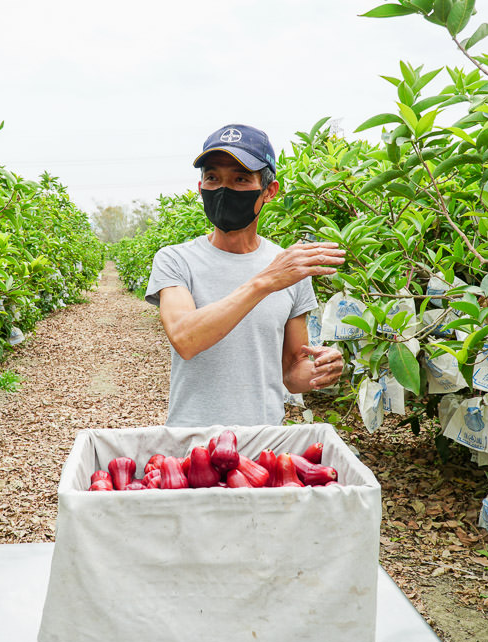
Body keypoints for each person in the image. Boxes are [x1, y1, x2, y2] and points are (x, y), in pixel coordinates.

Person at [145, 123, 346, 427]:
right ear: (200, 187)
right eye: (213, 178)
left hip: (264, 440)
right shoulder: (176, 260)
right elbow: (185, 339)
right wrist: (265, 282)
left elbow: (292, 371)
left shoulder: (290, 269)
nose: (223, 189)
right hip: (191, 440)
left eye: (240, 179)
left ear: (269, 191)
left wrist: (321, 370)